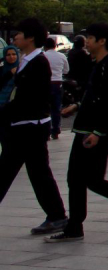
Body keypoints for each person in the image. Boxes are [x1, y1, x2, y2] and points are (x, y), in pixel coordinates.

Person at [42, 22, 108, 243]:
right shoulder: (96, 64)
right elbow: (94, 97)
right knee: (76, 179)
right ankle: (75, 226)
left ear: (102, 41)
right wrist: (77, 106)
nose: (87, 41)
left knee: (94, 180)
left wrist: (98, 133)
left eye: (90, 38)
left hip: (97, 132)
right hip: (84, 129)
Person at [0, 18, 68, 233]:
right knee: (37, 173)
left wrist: (3, 113)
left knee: (10, 171)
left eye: (19, 33)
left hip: (29, 127)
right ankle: (57, 216)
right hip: (26, 125)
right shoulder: (27, 59)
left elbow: (28, 99)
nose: (15, 37)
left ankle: (57, 216)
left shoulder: (38, 62)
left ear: (30, 38)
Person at [43, 37, 69, 139]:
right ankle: (56, 130)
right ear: (55, 46)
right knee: (56, 109)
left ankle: (46, 130)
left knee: (45, 109)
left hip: (45, 84)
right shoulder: (61, 56)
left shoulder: (43, 56)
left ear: (45, 46)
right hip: (58, 84)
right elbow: (66, 70)